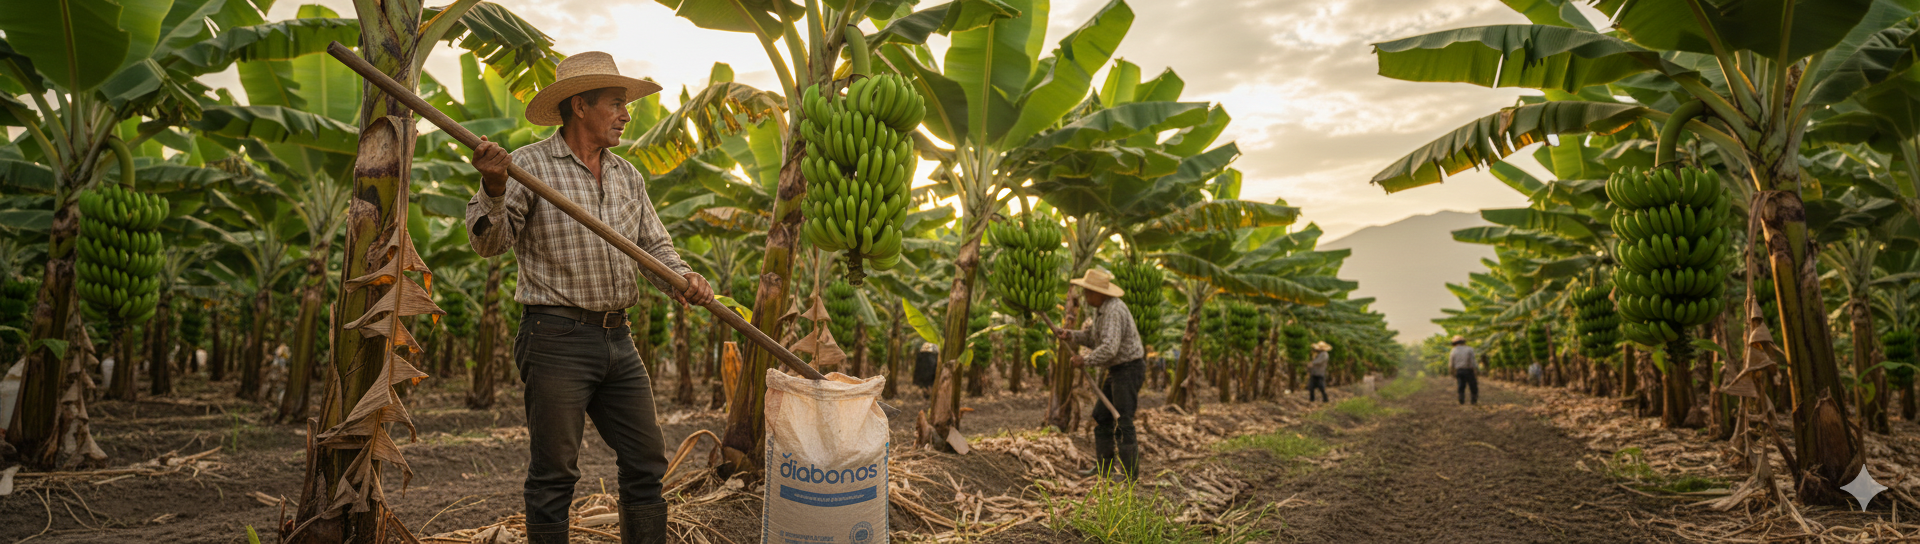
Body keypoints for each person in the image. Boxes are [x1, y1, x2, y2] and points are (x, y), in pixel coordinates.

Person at [466, 51, 713, 544]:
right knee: (554, 474)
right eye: (617, 104)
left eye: (626, 105)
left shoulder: (627, 175)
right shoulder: (529, 167)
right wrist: (493, 188)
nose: (627, 115)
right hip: (555, 337)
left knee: (646, 461)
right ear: (580, 106)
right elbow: (488, 245)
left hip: (618, 339)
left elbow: (655, 247)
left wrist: (684, 278)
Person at [1056, 269, 1145, 480]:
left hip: (1128, 368)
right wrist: (1071, 336)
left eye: (1089, 292)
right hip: (1115, 369)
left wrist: (1084, 360)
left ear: (1100, 293)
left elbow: (1109, 348)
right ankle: (1104, 469)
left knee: (1123, 419)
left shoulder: (1113, 310)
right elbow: (1093, 338)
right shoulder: (1101, 310)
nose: (1086, 296)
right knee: (1102, 416)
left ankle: (1130, 476)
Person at [1449, 335, 1479, 405]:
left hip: (1459, 371)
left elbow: (1451, 363)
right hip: (1469, 370)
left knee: (1461, 386)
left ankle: (1461, 400)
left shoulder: (1453, 350)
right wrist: (1475, 371)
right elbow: (1473, 362)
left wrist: (1452, 372)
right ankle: (1473, 401)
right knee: (1473, 386)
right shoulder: (1469, 349)